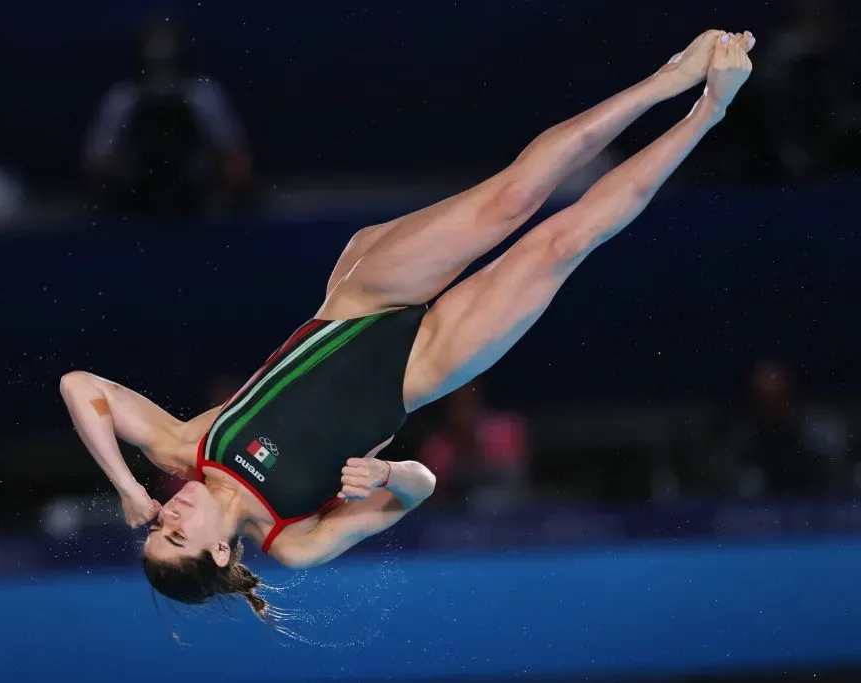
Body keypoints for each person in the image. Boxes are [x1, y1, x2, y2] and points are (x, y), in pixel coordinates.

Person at [60, 30, 756, 618]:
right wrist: (390, 470)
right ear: (219, 552)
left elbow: (79, 383)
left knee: (512, 200)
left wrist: (124, 485)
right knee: (564, 242)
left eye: (155, 529)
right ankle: (708, 112)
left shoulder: (181, 449)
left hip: (360, 302)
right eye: (175, 538)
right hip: (423, 368)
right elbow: (415, 492)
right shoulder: (293, 541)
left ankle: (671, 78)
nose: (167, 517)